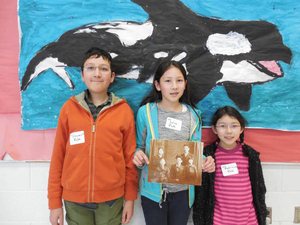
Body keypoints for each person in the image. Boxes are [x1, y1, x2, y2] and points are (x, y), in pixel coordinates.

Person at [47, 47, 138, 225]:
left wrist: (130, 198)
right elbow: (58, 157)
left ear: (112, 76)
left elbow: (130, 158)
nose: (97, 73)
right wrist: (54, 202)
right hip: (75, 200)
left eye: (103, 69)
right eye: (91, 68)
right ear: (82, 75)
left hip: (112, 200)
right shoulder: (68, 109)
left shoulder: (124, 111)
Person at [133, 60, 215, 225]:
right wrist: (138, 156)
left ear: (185, 84)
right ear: (158, 85)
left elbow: (193, 151)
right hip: (153, 194)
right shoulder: (146, 112)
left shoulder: (194, 115)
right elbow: (138, 147)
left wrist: (205, 161)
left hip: (183, 194)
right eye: (168, 81)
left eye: (179, 80)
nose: (174, 86)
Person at [193, 106, 268, 225]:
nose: (228, 131)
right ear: (214, 129)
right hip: (218, 221)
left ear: (241, 128)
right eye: (222, 126)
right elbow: (201, 194)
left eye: (234, 126)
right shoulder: (208, 156)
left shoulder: (251, 155)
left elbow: (260, 189)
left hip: (249, 220)